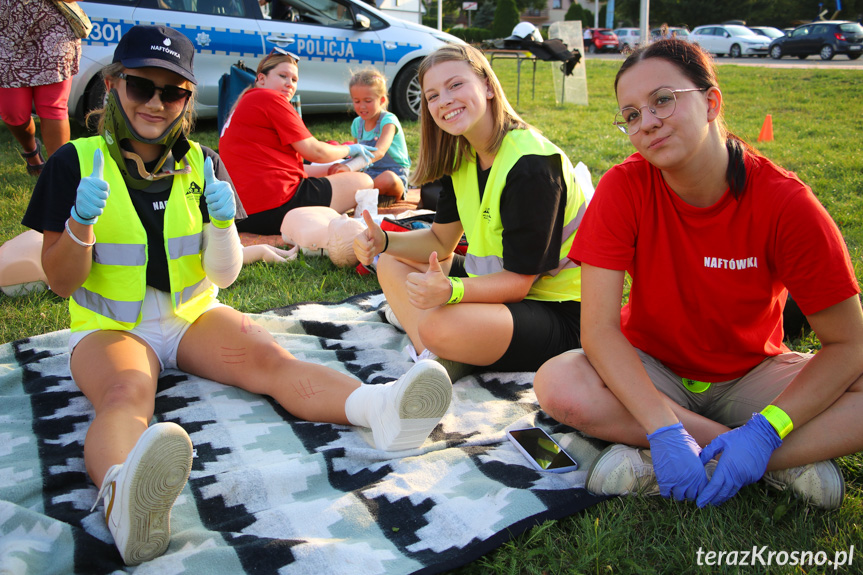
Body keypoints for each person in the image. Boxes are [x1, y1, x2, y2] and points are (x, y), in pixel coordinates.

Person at [21, 25, 452, 566]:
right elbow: (61, 281)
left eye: (173, 91)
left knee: (272, 359)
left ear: (187, 97)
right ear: (113, 86)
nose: (157, 103)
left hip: (194, 313)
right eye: (141, 87)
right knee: (126, 395)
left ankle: (383, 408)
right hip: (111, 327)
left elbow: (222, 276)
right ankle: (124, 501)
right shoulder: (73, 164)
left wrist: (224, 225)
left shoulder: (202, 164)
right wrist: (81, 222)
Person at [534, 38, 863, 510]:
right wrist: (664, 429)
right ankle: (774, 459)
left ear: (711, 102)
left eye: (662, 100)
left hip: (753, 376)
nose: (646, 122)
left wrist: (767, 432)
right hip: (654, 371)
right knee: (558, 383)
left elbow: (850, 344)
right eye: (630, 115)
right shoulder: (623, 187)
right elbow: (599, 330)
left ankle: (737, 454)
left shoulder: (786, 203)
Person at [353, 44, 586, 377]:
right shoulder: (462, 157)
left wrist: (451, 292)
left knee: (438, 324)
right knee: (391, 264)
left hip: (556, 312)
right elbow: (440, 242)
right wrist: (384, 242)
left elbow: (519, 285)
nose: (444, 100)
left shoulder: (531, 165)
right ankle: (444, 355)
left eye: (455, 85)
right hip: (498, 291)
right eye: (432, 95)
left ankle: (439, 352)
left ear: (488, 87)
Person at [219, 49, 376, 236]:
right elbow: (315, 151)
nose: (289, 84)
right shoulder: (270, 98)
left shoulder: (245, 103)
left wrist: (331, 168)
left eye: (294, 80)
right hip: (274, 209)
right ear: (261, 79)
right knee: (364, 181)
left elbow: (286, 168)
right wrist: (349, 149)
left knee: (331, 172)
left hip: (242, 215)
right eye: (283, 76)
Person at [0, 0, 82, 176]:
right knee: (12, 111)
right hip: (6, 35)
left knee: (53, 106)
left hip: (53, 31)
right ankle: (31, 152)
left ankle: (59, 174)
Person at [328, 68, 411, 203]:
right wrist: (342, 169)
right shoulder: (357, 124)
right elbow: (356, 155)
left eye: (368, 100)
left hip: (393, 176)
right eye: (357, 101)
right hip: (368, 175)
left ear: (381, 99)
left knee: (387, 179)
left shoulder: (388, 121)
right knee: (335, 173)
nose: (362, 106)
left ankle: (359, 195)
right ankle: (362, 194)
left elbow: (379, 152)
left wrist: (349, 167)